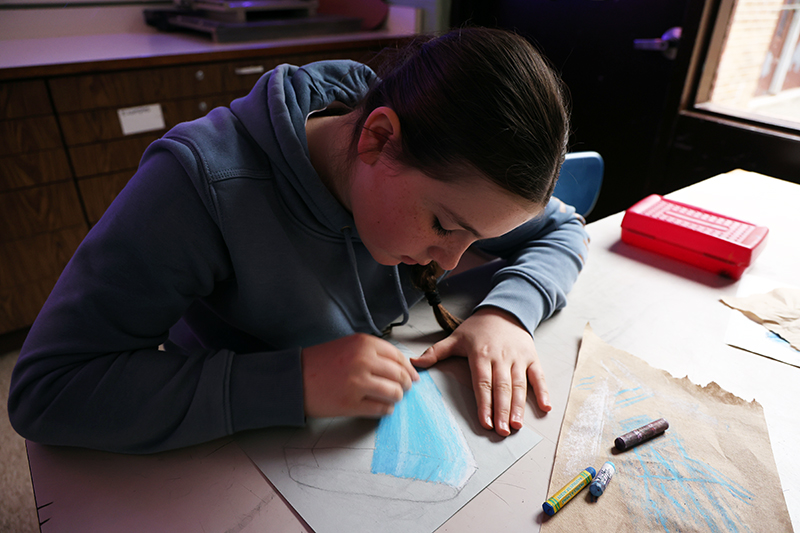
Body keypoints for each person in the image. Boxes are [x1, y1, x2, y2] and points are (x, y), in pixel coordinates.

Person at [8, 27, 589, 454]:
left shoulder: (444, 168)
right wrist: (291, 383)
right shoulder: (198, 184)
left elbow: (565, 228)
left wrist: (506, 314)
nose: (452, 260)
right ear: (378, 139)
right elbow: (47, 389)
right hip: (226, 459)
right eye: (442, 226)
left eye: (480, 239)